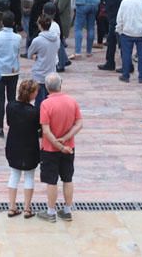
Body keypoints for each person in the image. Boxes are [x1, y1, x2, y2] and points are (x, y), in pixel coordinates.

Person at [37, 73, 82, 223]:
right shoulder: (72, 101)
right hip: (69, 148)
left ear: (47, 87)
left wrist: (58, 145)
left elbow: (46, 131)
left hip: (51, 150)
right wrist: (66, 140)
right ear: (60, 85)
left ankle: (51, 212)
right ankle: (67, 210)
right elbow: (79, 124)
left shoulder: (45, 104)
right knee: (68, 178)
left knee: (52, 181)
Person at [5, 79, 41, 219]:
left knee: (14, 175)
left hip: (14, 144)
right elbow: (38, 129)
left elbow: (8, 122)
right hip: (29, 146)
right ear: (31, 94)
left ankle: (12, 207)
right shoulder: (34, 111)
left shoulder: (11, 106)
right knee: (29, 177)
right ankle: (27, 208)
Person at [0, 12, 22, 137]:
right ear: (13, 23)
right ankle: (13, 126)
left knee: (0, 100)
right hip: (13, 71)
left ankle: (0, 127)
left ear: (2, 22)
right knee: (12, 99)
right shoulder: (18, 37)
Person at [116, 0, 142, 83]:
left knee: (126, 54)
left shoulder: (125, 1)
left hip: (127, 31)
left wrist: (119, 29)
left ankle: (126, 75)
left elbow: (120, 17)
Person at [27, 14, 60, 109]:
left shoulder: (37, 40)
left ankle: (39, 121)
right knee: (50, 101)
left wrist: (36, 56)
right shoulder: (56, 39)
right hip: (51, 72)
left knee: (39, 102)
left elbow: (29, 54)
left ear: (40, 25)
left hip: (39, 73)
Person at [97, 0, 127, 71]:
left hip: (116, 21)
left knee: (120, 43)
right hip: (114, 20)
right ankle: (110, 62)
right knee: (112, 42)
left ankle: (126, 64)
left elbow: (116, 7)